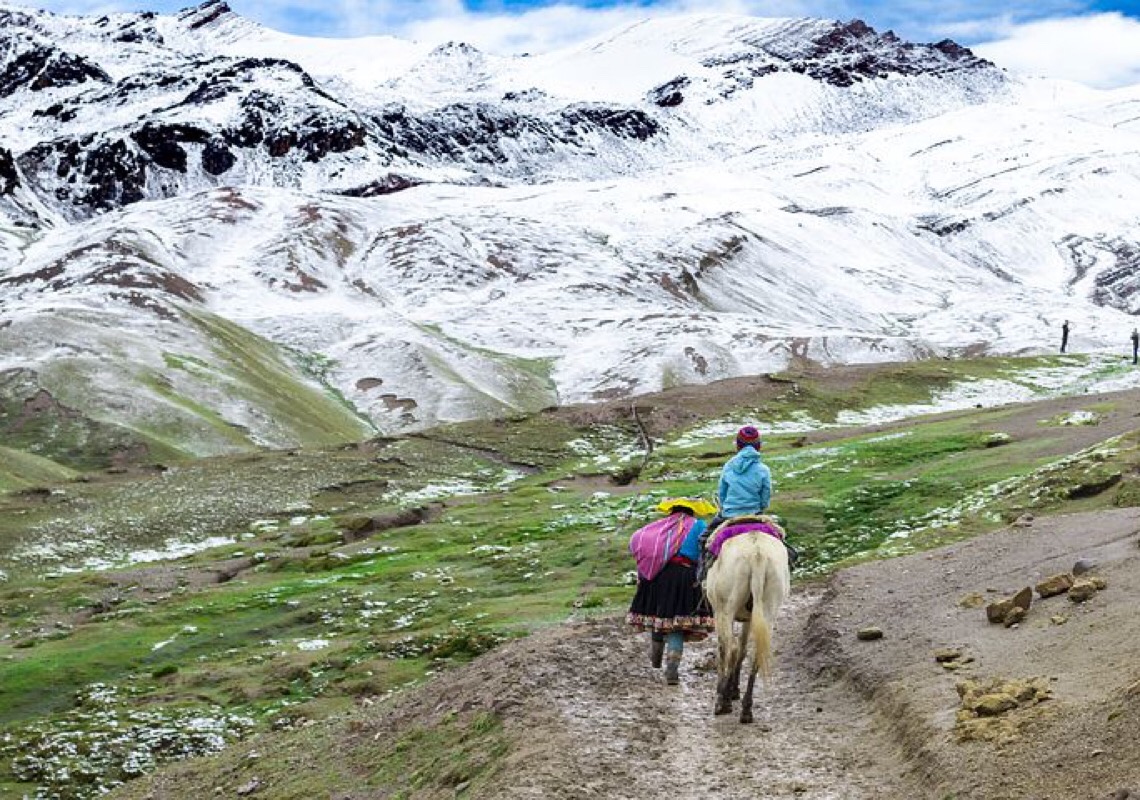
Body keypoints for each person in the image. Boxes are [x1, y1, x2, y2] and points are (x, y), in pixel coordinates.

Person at [626, 497, 717, 685]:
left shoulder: (659, 526)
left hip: (658, 574)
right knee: (677, 623)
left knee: (659, 614)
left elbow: (637, 541)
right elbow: (706, 551)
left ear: (672, 510)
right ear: (693, 511)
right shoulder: (698, 525)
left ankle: (656, 655)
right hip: (685, 577)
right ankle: (672, 669)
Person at [698, 425, 797, 579]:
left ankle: (702, 577)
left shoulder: (728, 467)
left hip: (729, 515)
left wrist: (725, 508)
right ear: (758, 446)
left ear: (738, 446)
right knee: (783, 544)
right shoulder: (763, 469)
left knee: (704, 540)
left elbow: (722, 493)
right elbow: (765, 495)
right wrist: (761, 508)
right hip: (755, 514)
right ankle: (787, 571)